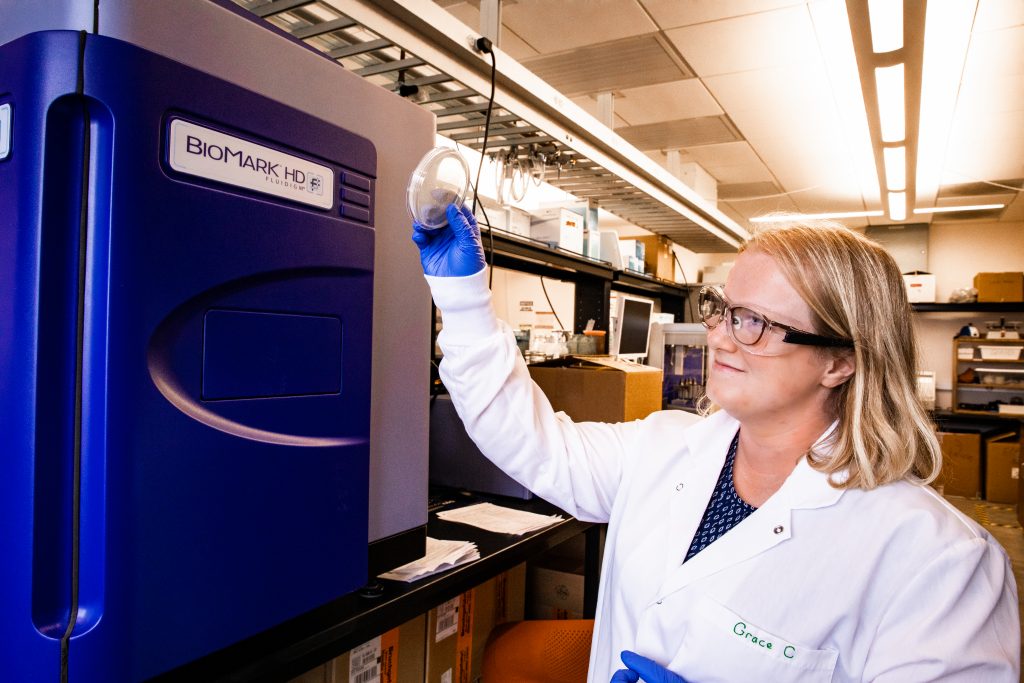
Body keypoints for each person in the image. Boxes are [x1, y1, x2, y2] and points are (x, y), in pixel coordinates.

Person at [412, 203, 1020, 682]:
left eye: (753, 322)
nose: (720, 338)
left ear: (839, 361)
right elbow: (530, 441)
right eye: (723, 309)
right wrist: (465, 297)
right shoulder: (666, 448)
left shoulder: (941, 563)